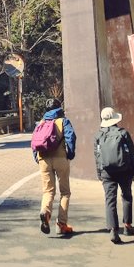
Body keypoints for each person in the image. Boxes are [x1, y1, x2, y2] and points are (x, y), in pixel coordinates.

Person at [94, 106, 134, 245]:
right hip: (124, 170)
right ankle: (127, 226)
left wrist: (99, 173)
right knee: (126, 196)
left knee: (110, 200)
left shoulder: (98, 136)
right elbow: (131, 154)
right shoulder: (123, 133)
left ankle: (113, 229)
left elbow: (97, 156)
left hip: (107, 172)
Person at [32, 98, 77, 235]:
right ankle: (61, 224)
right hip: (60, 158)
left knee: (48, 191)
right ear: (59, 108)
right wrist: (69, 154)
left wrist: (37, 158)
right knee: (65, 192)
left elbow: (34, 143)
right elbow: (71, 137)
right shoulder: (63, 121)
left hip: (43, 159)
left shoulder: (41, 123)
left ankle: (45, 213)